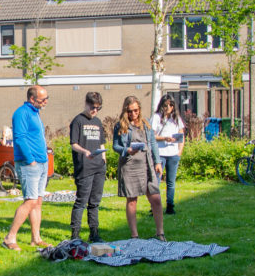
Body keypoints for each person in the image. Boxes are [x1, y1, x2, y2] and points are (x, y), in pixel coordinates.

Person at [1, 86, 51, 251]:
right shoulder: (21, 113)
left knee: (37, 202)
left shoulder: (35, 112)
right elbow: (19, 138)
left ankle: (36, 239)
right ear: (32, 98)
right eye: (42, 99)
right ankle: (10, 238)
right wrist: (31, 161)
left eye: (46, 98)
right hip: (29, 164)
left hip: (42, 162)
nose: (45, 102)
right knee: (29, 201)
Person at [112, 96, 165, 241]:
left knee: (156, 198)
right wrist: (126, 150)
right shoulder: (120, 126)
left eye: (136, 110)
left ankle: (160, 233)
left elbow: (153, 143)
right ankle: (134, 235)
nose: (133, 114)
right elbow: (115, 146)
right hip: (129, 165)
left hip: (146, 164)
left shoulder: (145, 124)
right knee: (132, 200)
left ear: (139, 109)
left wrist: (158, 162)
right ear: (125, 111)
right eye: (130, 111)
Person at [68, 92, 106, 242]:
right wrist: (85, 152)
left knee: (95, 202)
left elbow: (101, 142)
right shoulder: (78, 121)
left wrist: (103, 159)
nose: (95, 110)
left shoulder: (97, 122)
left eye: (98, 108)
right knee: (81, 201)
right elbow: (73, 144)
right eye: (92, 107)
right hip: (84, 167)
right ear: (86, 103)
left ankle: (94, 233)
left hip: (98, 166)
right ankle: (75, 235)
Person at [149, 96, 184, 214]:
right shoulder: (156, 117)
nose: (168, 108)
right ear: (161, 106)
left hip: (173, 154)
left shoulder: (176, 118)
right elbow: (151, 136)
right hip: (160, 153)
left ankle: (170, 206)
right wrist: (164, 138)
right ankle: (155, 207)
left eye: (171, 105)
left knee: (171, 181)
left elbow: (181, 136)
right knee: (157, 181)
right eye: (165, 105)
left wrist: (179, 152)